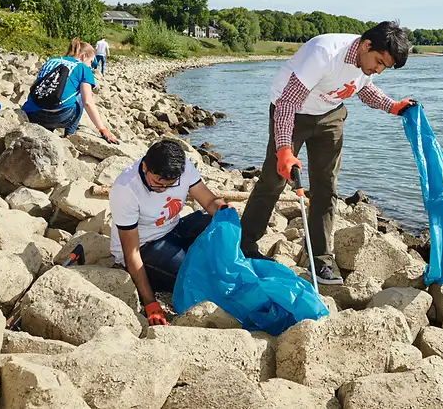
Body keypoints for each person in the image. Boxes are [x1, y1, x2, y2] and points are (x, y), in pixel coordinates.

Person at [240, 21, 416, 286]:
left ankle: (321, 261)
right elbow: (288, 102)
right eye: (379, 62)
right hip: (292, 112)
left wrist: (393, 106)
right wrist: (285, 150)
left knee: (326, 188)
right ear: (366, 44)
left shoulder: (366, 60)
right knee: (273, 181)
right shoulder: (324, 53)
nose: (378, 70)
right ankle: (245, 246)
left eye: (384, 67)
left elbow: (362, 88)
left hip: (330, 115)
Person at [109, 138, 232, 326]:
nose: (163, 189)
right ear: (144, 167)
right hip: (145, 246)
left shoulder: (183, 168)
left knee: (221, 227)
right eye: (158, 183)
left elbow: (209, 202)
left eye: (170, 185)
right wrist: (150, 303)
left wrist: (224, 210)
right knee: (195, 277)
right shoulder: (125, 190)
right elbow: (131, 253)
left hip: (174, 228)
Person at [22, 38, 118, 143]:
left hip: (32, 114)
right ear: (84, 56)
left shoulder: (51, 60)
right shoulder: (83, 68)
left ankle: (45, 127)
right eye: (91, 61)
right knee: (82, 95)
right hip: (59, 117)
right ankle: (69, 136)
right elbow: (88, 103)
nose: (90, 66)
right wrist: (103, 129)